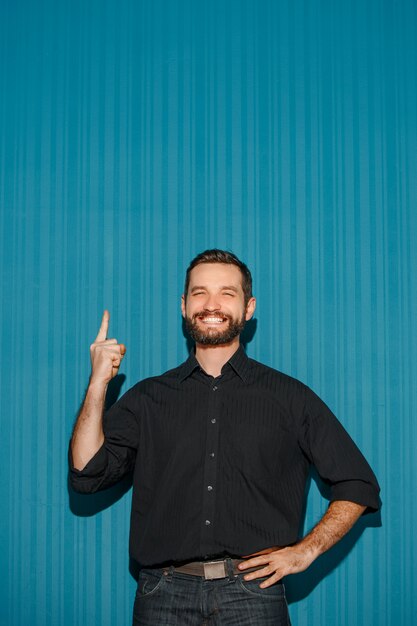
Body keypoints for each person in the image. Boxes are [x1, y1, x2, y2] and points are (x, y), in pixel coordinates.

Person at [69, 249, 380, 625]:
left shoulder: (289, 397)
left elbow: (358, 484)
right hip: (161, 596)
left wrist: (305, 552)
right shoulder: (148, 397)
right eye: (200, 293)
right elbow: (86, 472)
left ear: (248, 308)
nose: (211, 304)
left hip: (253, 596)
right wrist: (99, 383)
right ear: (184, 306)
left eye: (226, 294)